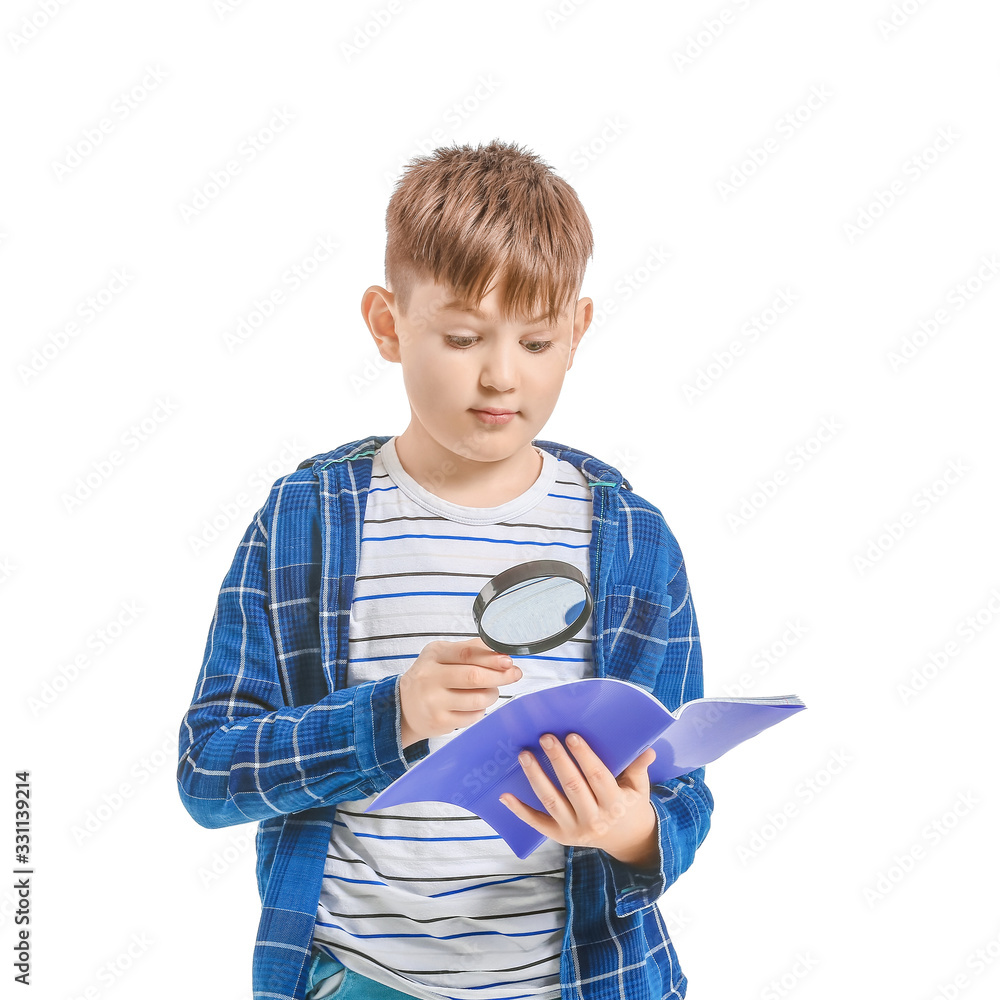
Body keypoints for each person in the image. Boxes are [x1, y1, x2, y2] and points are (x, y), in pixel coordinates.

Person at [177, 139, 714, 1000]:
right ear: (389, 325)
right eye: (462, 336)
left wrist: (627, 826)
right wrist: (389, 717)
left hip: (578, 981)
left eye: (537, 341)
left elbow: (683, 794)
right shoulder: (306, 519)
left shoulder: (631, 539)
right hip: (359, 979)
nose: (502, 374)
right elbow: (209, 772)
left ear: (577, 330)